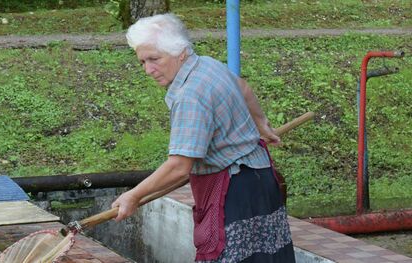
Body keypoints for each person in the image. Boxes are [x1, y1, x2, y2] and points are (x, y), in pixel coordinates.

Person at [111, 14, 296, 262]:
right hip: (260, 179)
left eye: (154, 59)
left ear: (181, 52)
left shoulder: (190, 96)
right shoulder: (207, 65)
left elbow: (179, 167)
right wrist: (261, 125)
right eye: (142, 61)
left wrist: (133, 195)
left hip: (234, 191)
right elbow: (243, 88)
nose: (148, 70)